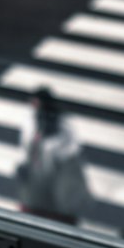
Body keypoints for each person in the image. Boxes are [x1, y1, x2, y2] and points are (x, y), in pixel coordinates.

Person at [17, 88, 92, 224]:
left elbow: (71, 150)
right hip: (37, 172)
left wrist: (53, 143)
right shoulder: (30, 121)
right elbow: (26, 145)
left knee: (59, 209)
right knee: (34, 207)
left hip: (57, 171)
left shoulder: (63, 125)